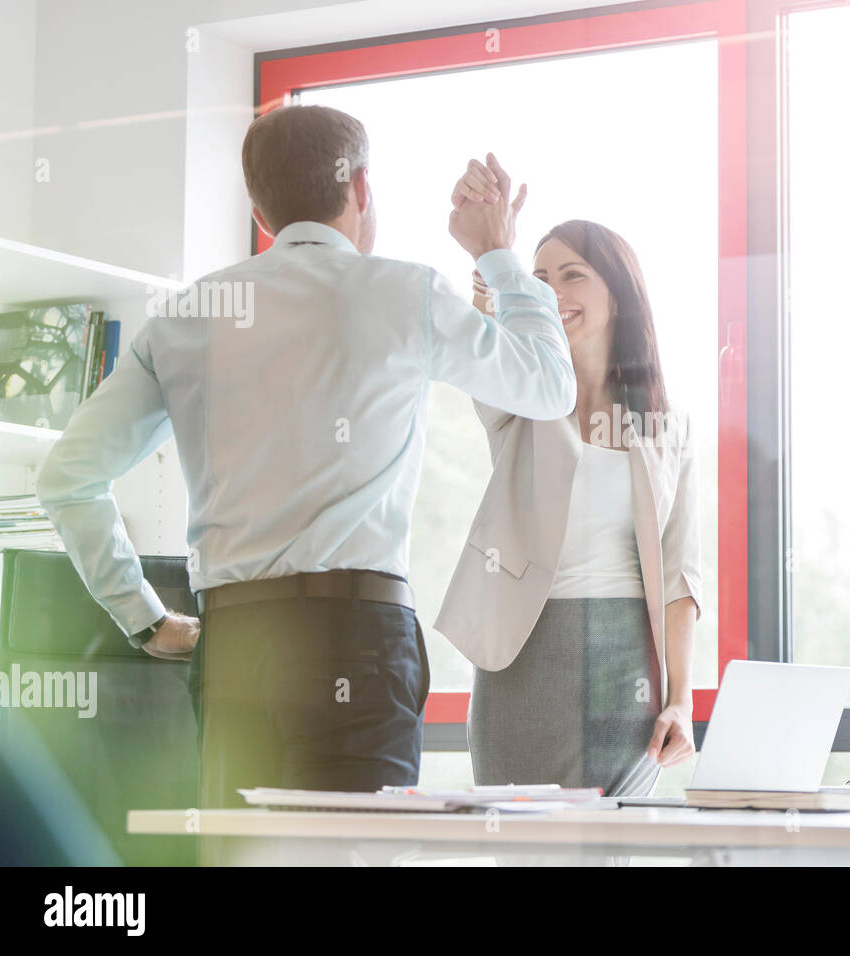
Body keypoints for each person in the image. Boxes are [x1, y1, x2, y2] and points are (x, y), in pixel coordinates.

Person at [36, 106, 575, 808]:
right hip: (358, 639)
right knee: (352, 858)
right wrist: (497, 253)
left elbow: (66, 478)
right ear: (361, 190)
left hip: (234, 645)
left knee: (243, 861)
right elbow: (548, 385)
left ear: (260, 210)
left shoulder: (188, 315)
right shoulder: (404, 293)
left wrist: (145, 618)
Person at [436, 161, 702, 797]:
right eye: (539, 279)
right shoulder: (518, 394)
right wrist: (490, 255)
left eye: (573, 276)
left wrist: (681, 700)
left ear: (618, 295)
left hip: (627, 669)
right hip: (523, 657)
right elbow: (481, 332)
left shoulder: (667, 424)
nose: (552, 293)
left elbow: (679, 572)